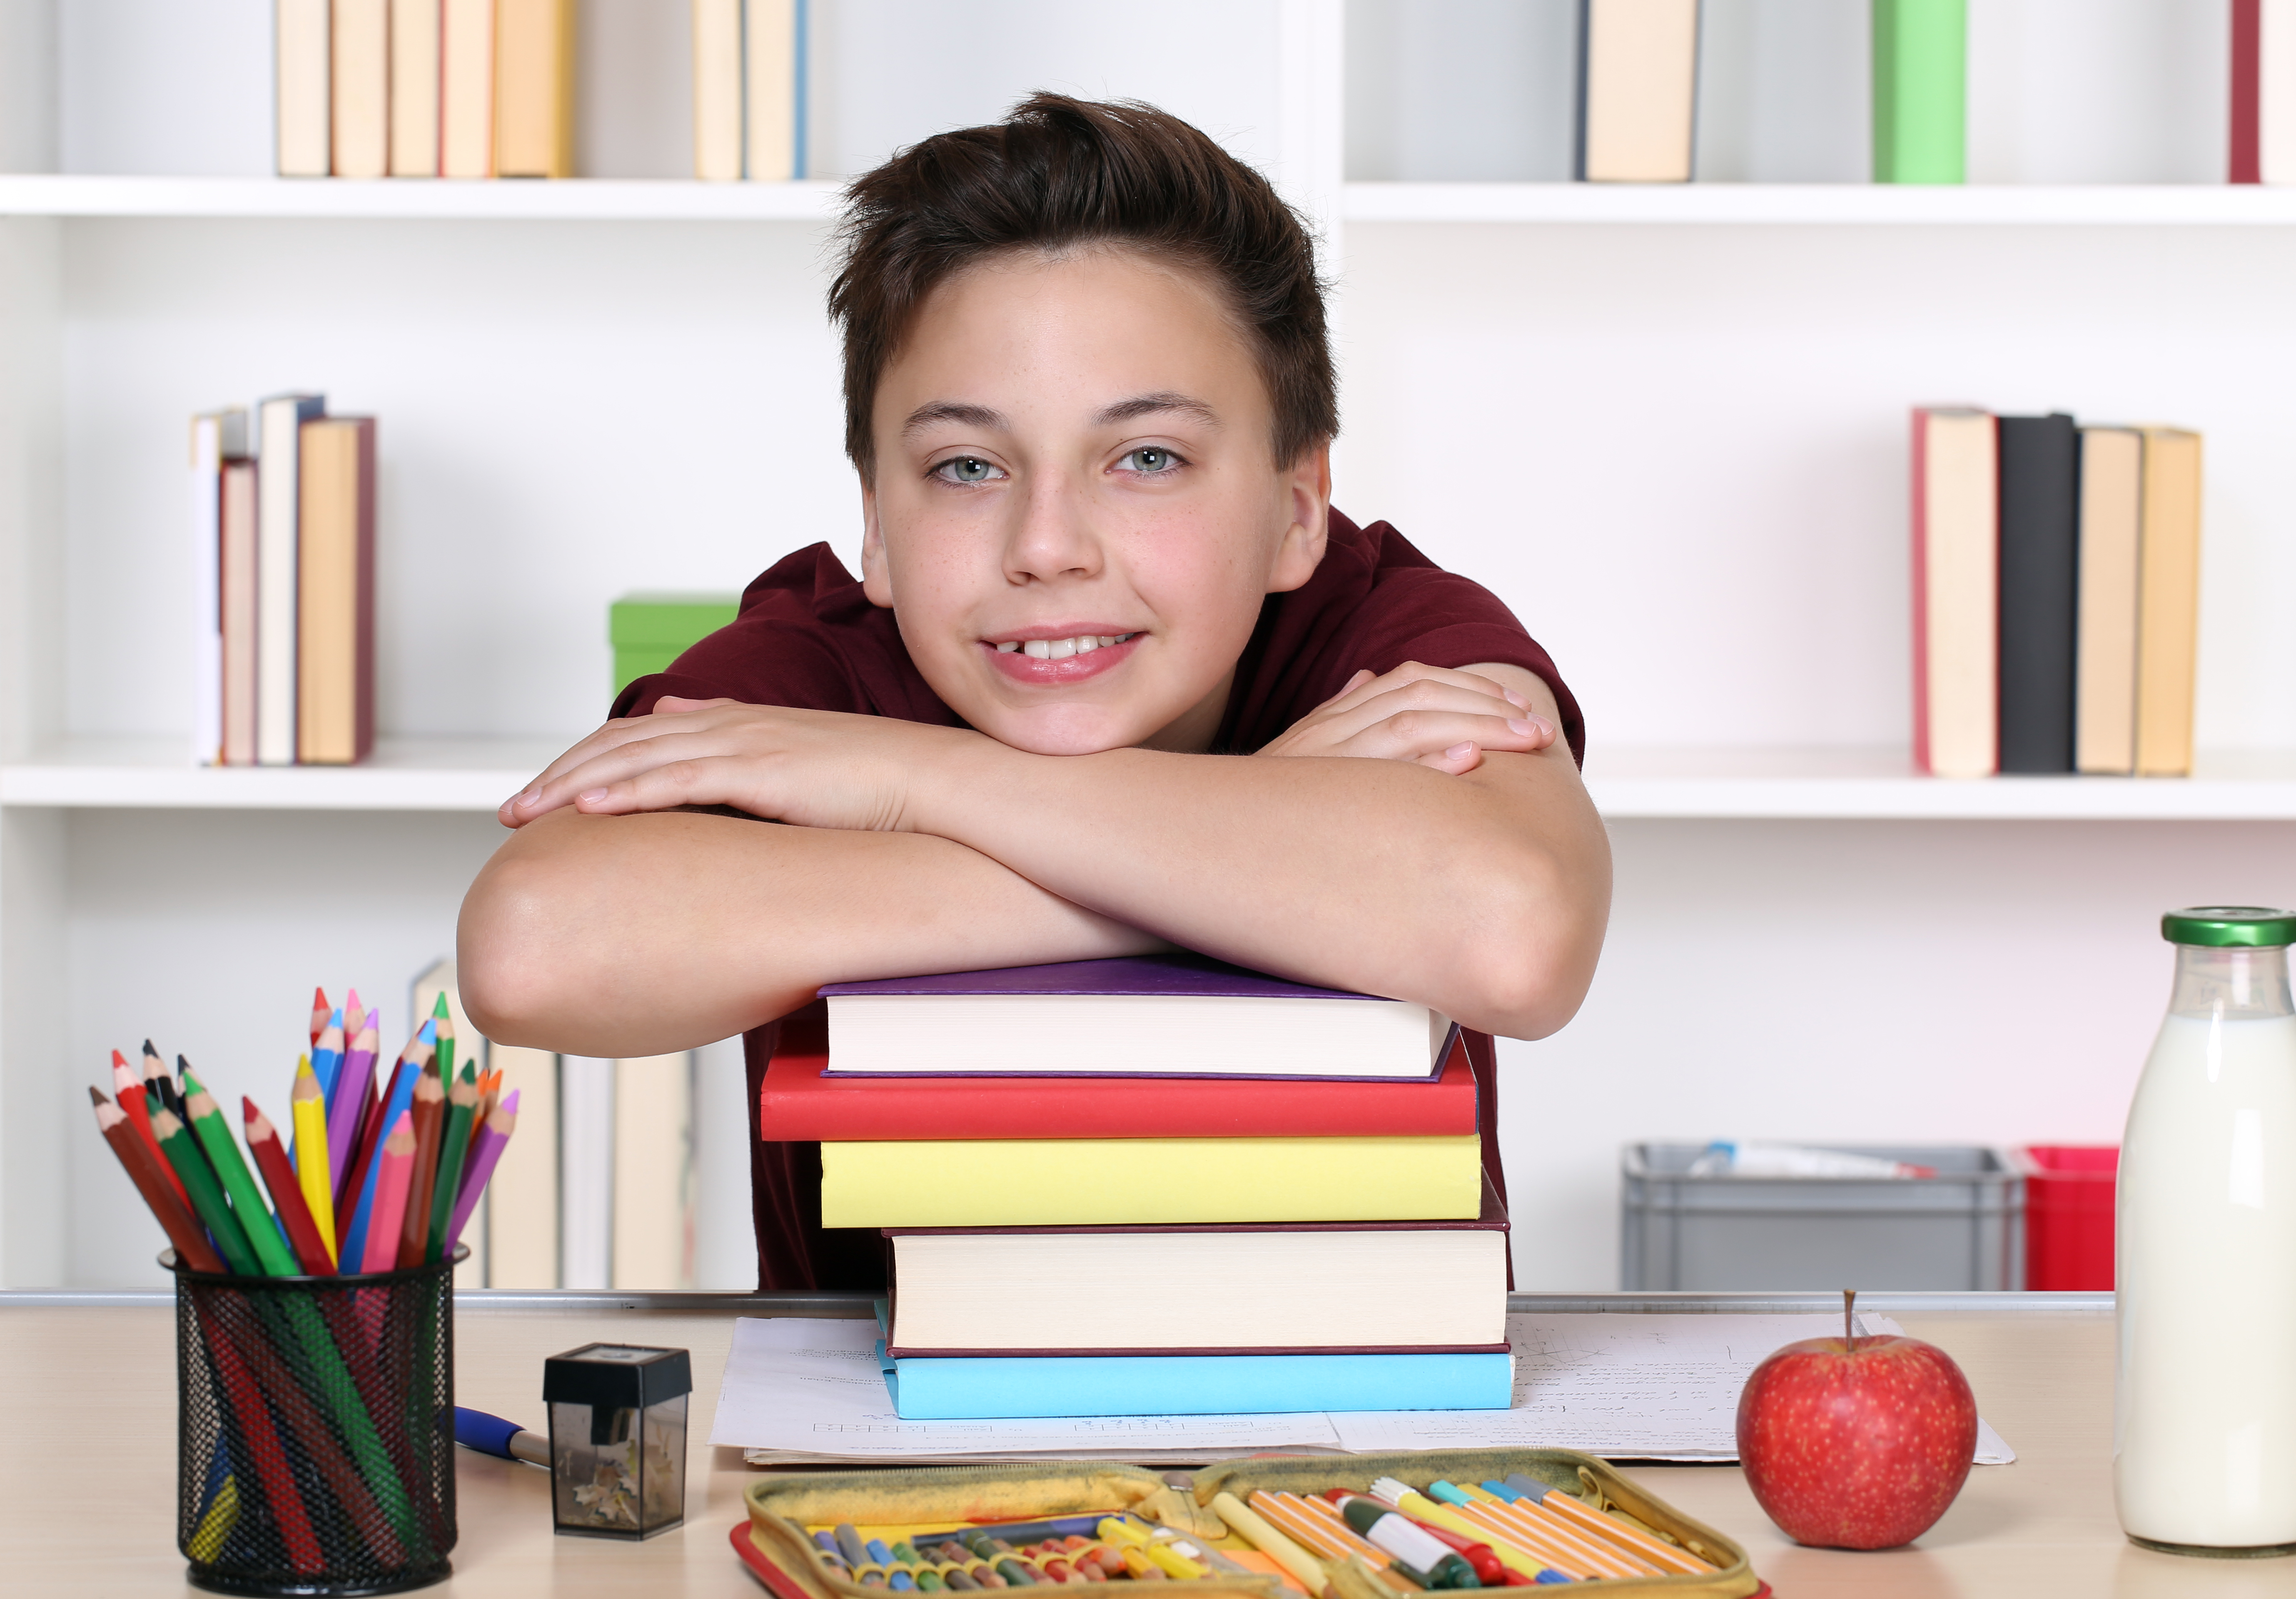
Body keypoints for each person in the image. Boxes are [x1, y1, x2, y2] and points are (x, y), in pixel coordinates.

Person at [459, 93, 1611, 1289]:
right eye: (966, 467)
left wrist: (914, 784)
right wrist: (1246, 829)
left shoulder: (1388, 631)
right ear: (879, 529)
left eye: (1147, 458)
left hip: (1350, 1449)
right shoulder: (817, 661)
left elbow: (1518, 933)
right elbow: (534, 949)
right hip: (896, 1441)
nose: (1047, 546)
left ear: (1296, 509)